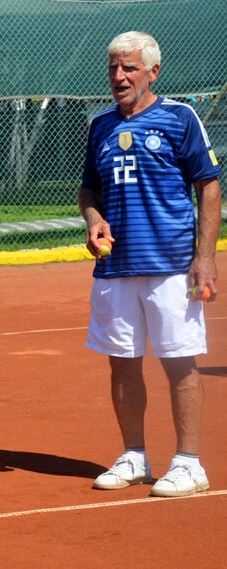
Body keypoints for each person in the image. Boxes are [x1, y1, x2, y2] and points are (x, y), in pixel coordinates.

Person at [79, 31, 220, 498]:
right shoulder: (99, 125)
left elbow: (209, 188)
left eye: (130, 68)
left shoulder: (180, 118)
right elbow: (88, 190)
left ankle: (189, 463)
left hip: (172, 266)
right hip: (115, 269)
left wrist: (205, 260)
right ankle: (134, 456)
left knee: (180, 363)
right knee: (122, 366)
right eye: (114, 68)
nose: (119, 77)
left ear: (153, 72)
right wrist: (94, 218)